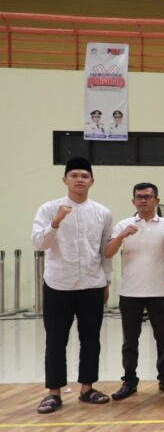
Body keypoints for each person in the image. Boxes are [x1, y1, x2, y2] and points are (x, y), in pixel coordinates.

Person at [32, 158, 113, 413]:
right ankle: (53, 393)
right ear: (65, 180)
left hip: (92, 283)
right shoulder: (48, 209)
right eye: (74, 175)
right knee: (56, 340)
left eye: (85, 176)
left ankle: (87, 388)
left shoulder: (102, 212)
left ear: (92, 181)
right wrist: (56, 222)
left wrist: (107, 281)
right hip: (59, 284)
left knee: (91, 339)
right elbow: (39, 244)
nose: (80, 180)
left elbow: (105, 251)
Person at [104, 182, 164, 399]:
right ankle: (129, 381)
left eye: (148, 196)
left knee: (163, 339)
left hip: (160, 292)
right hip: (130, 293)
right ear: (133, 201)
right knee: (130, 341)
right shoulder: (123, 224)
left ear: (157, 200)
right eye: (139, 197)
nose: (143, 200)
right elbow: (108, 253)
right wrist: (121, 236)